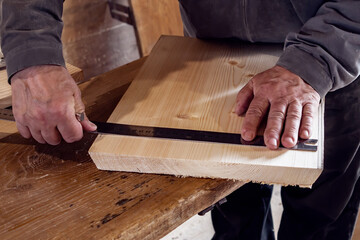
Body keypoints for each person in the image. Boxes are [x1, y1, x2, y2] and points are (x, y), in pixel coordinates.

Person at [1, 0, 359, 239]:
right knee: (235, 214)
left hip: (335, 55)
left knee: (320, 219)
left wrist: (317, 62)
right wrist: (32, 52)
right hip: (212, 51)